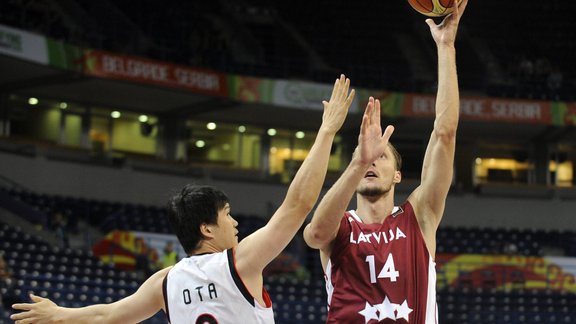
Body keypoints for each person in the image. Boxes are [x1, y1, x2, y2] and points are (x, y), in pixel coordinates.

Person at [10, 74, 357, 324]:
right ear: (207, 228)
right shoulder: (240, 262)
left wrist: (59, 314)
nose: (235, 223)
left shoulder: (165, 281)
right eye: (227, 214)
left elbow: (110, 314)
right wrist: (327, 131)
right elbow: (297, 205)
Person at [303, 1, 468, 323]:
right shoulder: (341, 227)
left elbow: (445, 134)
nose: (371, 162)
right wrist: (357, 162)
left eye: (381, 157)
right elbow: (315, 236)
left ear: (397, 176)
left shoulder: (419, 215)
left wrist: (446, 47)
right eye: (365, 157)